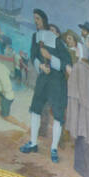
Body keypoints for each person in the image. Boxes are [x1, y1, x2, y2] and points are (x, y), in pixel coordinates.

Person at [19, 9, 70, 164]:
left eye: (38, 19)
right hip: (43, 79)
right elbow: (33, 55)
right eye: (34, 19)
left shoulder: (56, 40)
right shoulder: (35, 37)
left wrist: (50, 58)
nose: (36, 21)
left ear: (44, 20)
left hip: (57, 82)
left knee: (57, 115)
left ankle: (53, 148)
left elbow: (66, 64)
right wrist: (40, 65)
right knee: (35, 109)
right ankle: (33, 143)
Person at [63, 29, 89, 177]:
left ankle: (85, 171)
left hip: (82, 111)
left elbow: (73, 95)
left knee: (83, 141)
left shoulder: (78, 68)